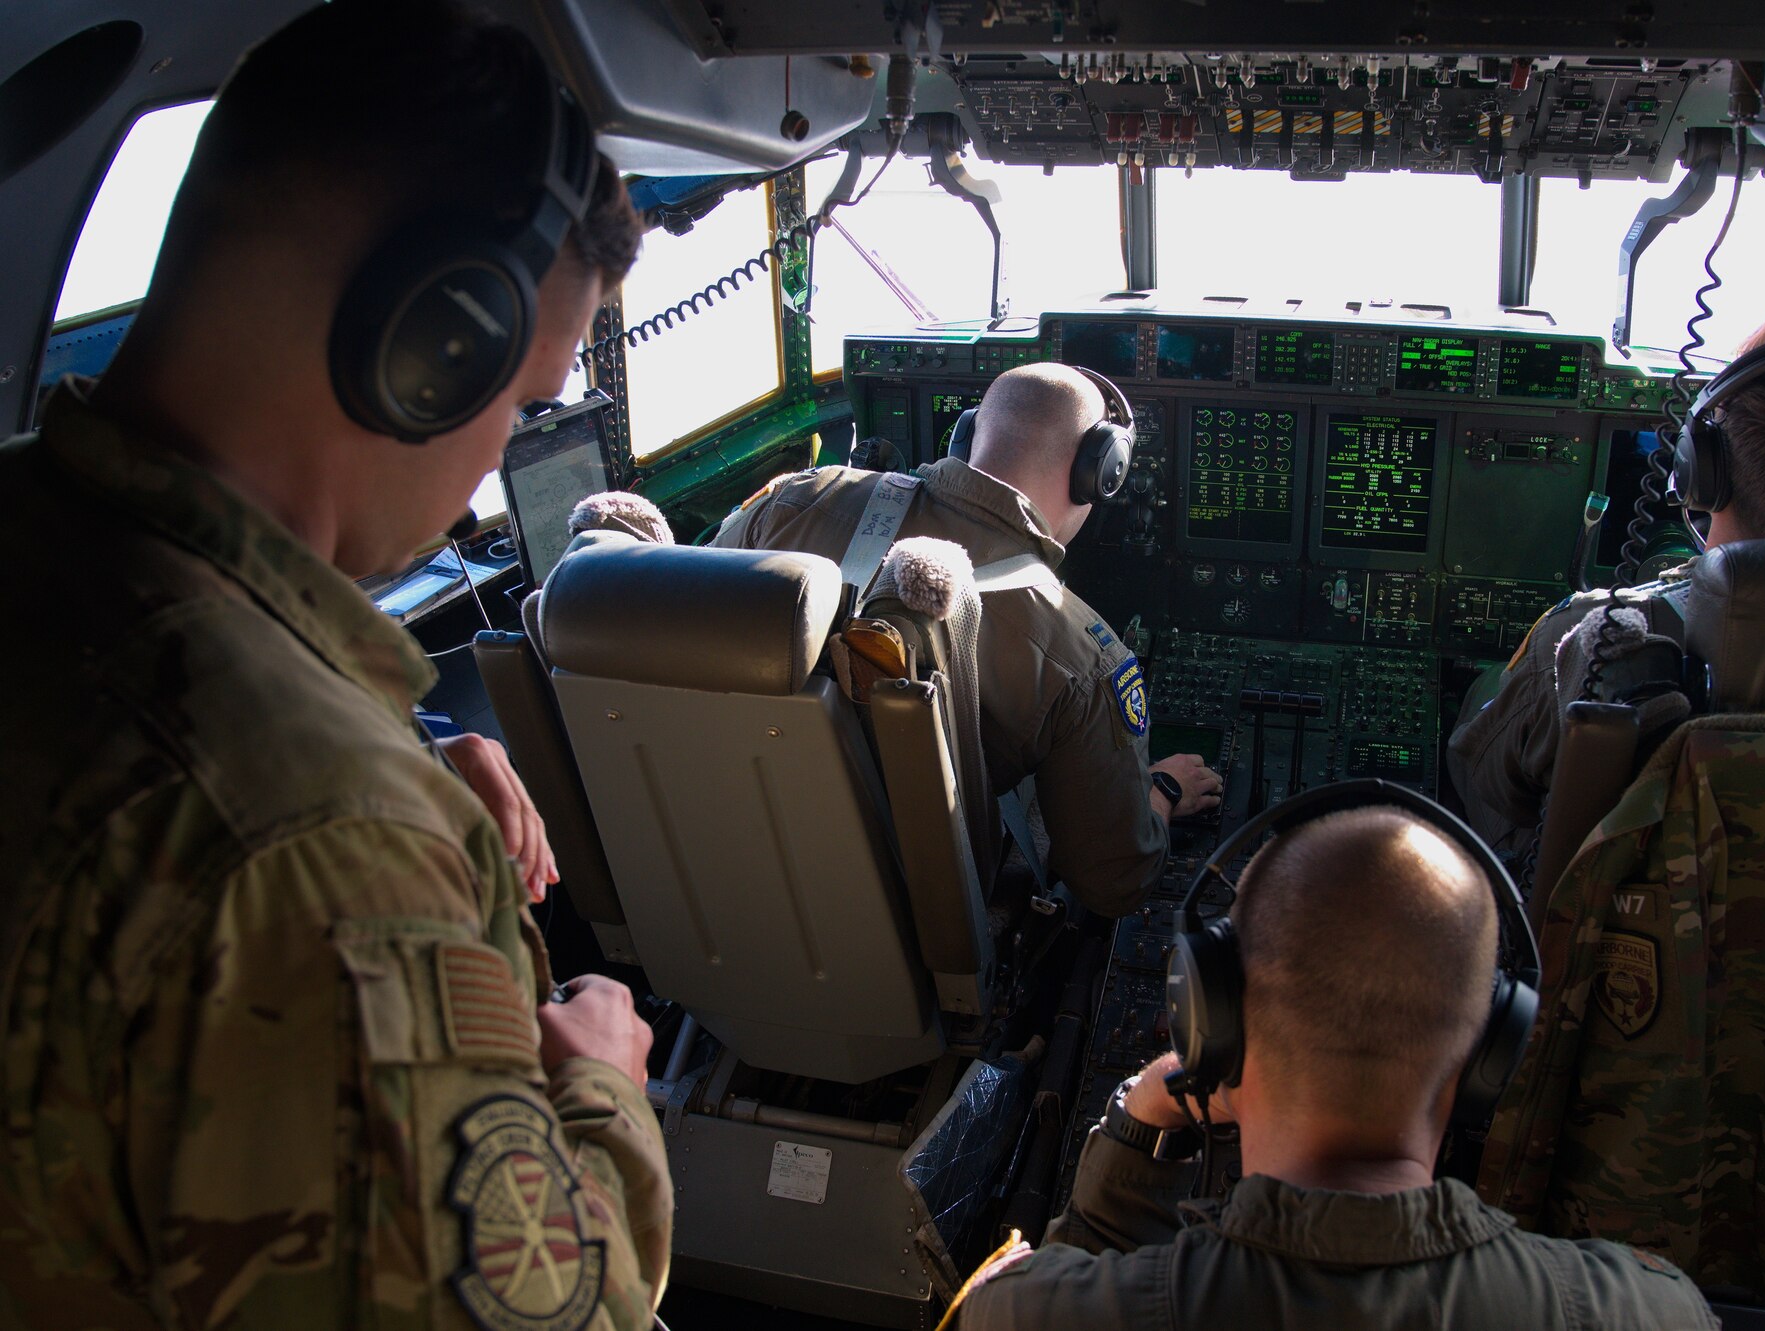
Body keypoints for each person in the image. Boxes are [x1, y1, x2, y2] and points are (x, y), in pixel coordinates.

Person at [0, 3, 673, 1327]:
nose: (496, 464)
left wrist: (399, 765)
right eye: (519, 402)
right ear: (431, 344)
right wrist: (604, 1088)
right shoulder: (320, 839)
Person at [954, 806, 1719, 1330]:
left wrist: (1132, 1150)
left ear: (1212, 1035)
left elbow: (1058, 1293)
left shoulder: (1029, 1313)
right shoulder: (1651, 1310)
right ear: (1489, 1058)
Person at [712, 362, 1221, 916]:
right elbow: (1115, 882)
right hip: (891, 920)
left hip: (718, 848)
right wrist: (1163, 792)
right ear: (1100, 471)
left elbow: (682, 617)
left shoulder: (795, 499)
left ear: (970, 433)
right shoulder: (1081, 656)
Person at [1447, 305, 1765, 857]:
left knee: (1481, 712)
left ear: (1699, 465)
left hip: (1630, 927)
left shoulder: (1592, 638)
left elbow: (1489, 780)